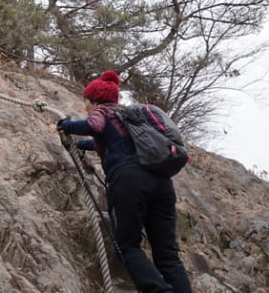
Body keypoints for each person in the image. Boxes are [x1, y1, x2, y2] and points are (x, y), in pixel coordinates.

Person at [57, 71, 192, 293]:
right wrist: (79, 145)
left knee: (127, 245)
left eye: (86, 102)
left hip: (130, 181)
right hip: (161, 182)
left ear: (94, 99)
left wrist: (66, 126)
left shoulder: (101, 111)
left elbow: (95, 127)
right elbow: (109, 143)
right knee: (167, 255)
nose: (86, 108)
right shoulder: (127, 118)